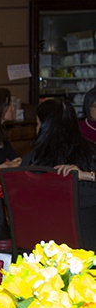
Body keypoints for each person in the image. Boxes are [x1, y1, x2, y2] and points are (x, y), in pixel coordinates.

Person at [22, 97, 96, 250]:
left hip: (42, 246)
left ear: (46, 128)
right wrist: (87, 175)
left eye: (38, 124)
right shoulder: (92, 153)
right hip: (87, 247)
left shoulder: (33, 160)